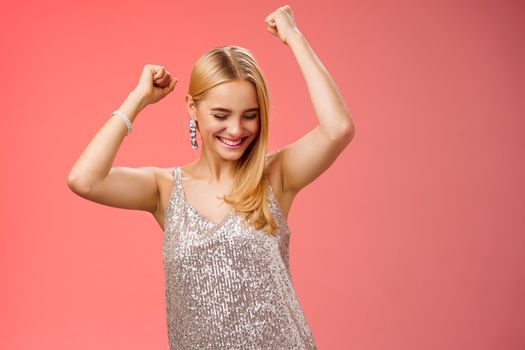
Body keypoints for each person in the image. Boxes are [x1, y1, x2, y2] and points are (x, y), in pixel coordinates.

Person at [67, 5, 354, 350]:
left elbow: (338, 128)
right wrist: (137, 99)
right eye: (221, 114)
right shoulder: (165, 189)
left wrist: (295, 38)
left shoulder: (275, 176)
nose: (236, 129)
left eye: (250, 115)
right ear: (193, 108)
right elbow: (84, 179)